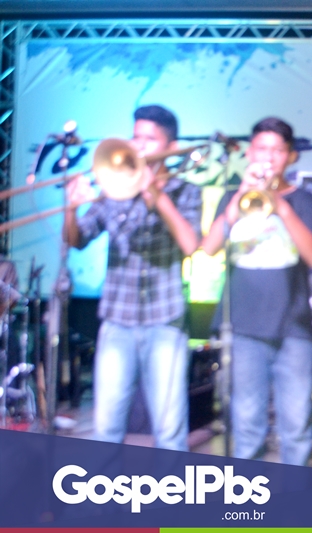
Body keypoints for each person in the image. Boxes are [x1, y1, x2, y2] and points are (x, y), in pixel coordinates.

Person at [64, 104, 202, 450]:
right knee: (107, 428)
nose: (138, 145)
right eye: (135, 136)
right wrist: (71, 208)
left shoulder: (186, 191)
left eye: (149, 139)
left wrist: (156, 195)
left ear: (171, 147)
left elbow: (190, 245)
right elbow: (77, 240)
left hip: (165, 320)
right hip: (117, 320)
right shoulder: (114, 189)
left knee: (169, 431)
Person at [202, 117, 312, 464]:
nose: (268, 157)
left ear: (291, 156)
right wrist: (241, 195)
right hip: (244, 326)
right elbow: (209, 247)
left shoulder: (303, 200)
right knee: (247, 425)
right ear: (249, 154)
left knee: (296, 425)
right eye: (261, 149)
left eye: (277, 151)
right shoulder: (233, 197)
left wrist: (281, 206)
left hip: (293, 327)